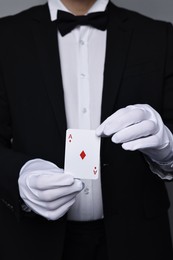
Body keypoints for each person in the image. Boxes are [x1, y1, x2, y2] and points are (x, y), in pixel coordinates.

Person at [0, 0, 173, 259]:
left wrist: (167, 149)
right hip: (32, 241)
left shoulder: (160, 36)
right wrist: (19, 175)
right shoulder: (6, 36)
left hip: (138, 239)